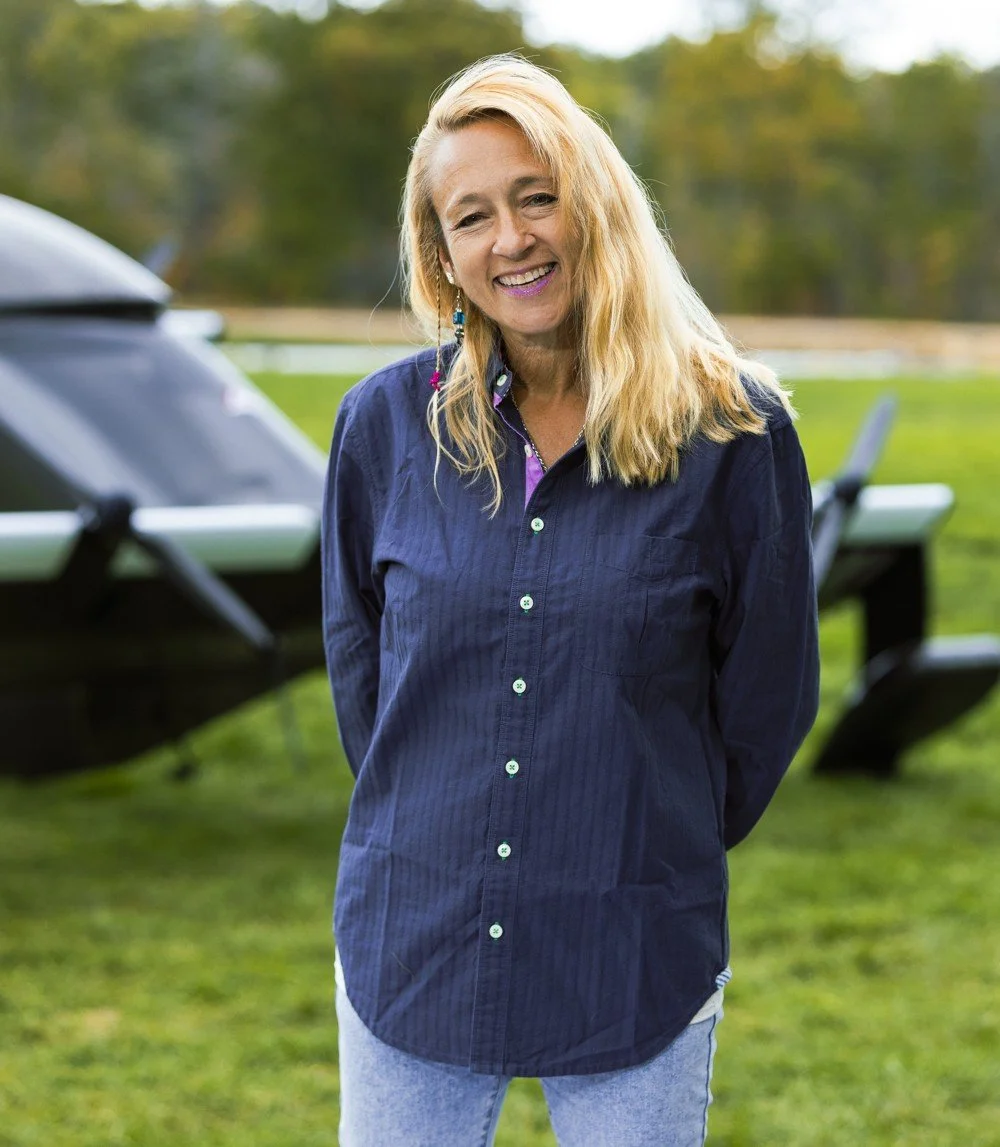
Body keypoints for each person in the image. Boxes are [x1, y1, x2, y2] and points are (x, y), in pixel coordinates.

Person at [322, 54, 819, 1147]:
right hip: (418, 941)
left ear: (592, 201)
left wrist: (641, 836)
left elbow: (766, 700)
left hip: (632, 944)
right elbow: (364, 676)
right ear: (442, 255)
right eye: (472, 216)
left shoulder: (733, 433)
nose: (513, 239)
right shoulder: (380, 431)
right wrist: (436, 818)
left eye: (536, 195)